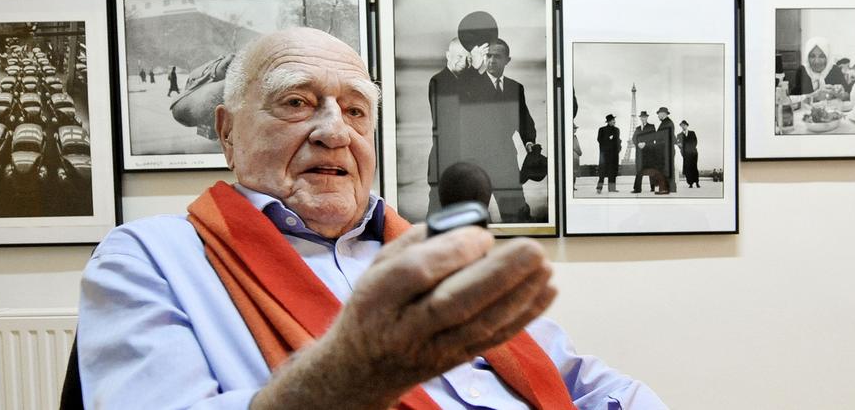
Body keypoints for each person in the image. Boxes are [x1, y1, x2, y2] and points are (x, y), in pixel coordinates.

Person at [78, 28, 666, 408]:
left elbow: (579, 381)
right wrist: (352, 372)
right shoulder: (150, 257)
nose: (335, 131)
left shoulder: (427, 252)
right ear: (227, 134)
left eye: (356, 110)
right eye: (296, 102)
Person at [465, 38, 540, 223]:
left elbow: (524, 120)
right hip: (476, 162)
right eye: (488, 56)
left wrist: (529, 141)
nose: (491, 61)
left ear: (507, 60)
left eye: (497, 56)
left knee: (516, 215)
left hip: (505, 160)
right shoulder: (471, 86)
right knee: (474, 219)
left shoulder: (516, 88)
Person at [426, 38, 474, 216]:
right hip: (443, 163)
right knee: (437, 214)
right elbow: (452, 116)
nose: (464, 61)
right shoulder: (438, 81)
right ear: (448, 55)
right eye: (460, 56)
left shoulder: (469, 82)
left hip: (469, 164)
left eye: (468, 58)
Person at [649, 107, 676, 195]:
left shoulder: (667, 123)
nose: (657, 116)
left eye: (658, 114)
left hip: (665, 151)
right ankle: (669, 188)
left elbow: (664, 138)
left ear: (663, 113)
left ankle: (665, 189)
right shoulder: (667, 123)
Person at [631, 111, 656, 194]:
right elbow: (634, 138)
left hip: (648, 152)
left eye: (645, 117)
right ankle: (637, 189)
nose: (643, 118)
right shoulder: (637, 128)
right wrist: (638, 144)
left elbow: (653, 137)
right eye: (642, 117)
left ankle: (653, 187)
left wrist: (645, 143)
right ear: (640, 118)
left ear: (647, 118)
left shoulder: (651, 127)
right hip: (640, 153)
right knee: (639, 170)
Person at [596, 113, 621, 194]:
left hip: (614, 155)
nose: (614, 121)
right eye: (613, 120)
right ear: (609, 121)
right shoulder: (601, 129)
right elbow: (599, 140)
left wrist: (619, 148)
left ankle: (612, 189)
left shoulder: (617, 130)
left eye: (614, 120)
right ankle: (599, 188)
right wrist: (608, 138)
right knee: (602, 172)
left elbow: (618, 141)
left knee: (612, 171)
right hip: (605, 154)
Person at [676, 120, 699, 188]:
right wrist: (683, 151)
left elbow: (695, 142)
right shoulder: (679, 135)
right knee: (688, 168)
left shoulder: (692, 133)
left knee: (694, 167)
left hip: (693, 153)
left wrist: (690, 148)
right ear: (681, 126)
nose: (683, 126)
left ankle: (697, 182)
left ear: (687, 125)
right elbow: (679, 145)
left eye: (684, 125)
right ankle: (690, 183)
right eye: (682, 125)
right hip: (686, 154)